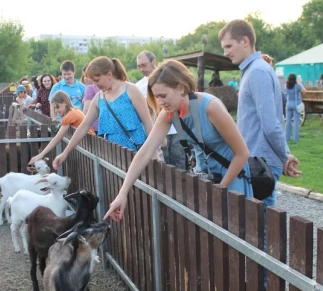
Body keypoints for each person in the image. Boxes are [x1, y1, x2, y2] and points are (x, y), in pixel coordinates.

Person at [103, 59, 252, 222]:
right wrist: (122, 193)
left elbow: (242, 153)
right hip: (207, 180)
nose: (160, 102)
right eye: (156, 97)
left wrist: (220, 190)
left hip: (231, 177)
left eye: (163, 95)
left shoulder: (211, 107)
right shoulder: (169, 113)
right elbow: (145, 152)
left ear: (181, 88)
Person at [218, 19, 301, 207]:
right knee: (254, 226)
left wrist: (284, 155)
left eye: (229, 46)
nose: (226, 52)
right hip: (255, 161)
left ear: (245, 41)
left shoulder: (257, 72)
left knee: (260, 228)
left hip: (260, 165)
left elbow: (271, 124)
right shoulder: (254, 70)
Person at [52, 57, 153, 170]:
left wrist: (154, 151)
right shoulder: (99, 97)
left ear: (109, 74)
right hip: (112, 155)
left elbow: (147, 122)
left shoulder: (131, 90)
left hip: (137, 152)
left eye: (97, 80)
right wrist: (65, 153)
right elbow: (84, 126)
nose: (95, 85)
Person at [136, 50, 186, 169]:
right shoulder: (138, 86)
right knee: (164, 166)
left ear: (153, 61)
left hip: (176, 128)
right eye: (139, 67)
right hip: (156, 130)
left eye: (144, 65)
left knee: (180, 163)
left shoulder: (169, 78)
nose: (142, 69)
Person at [29, 91, 93, 165]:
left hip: (89, 146)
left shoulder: (70, 116)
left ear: (64, 103)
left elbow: (57, 138)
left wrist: (41, 155)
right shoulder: (75, 111)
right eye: (54, 108)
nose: (56, 110)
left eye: (57, 107)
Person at [284, 73, 306, 143]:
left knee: (288, 121)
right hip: (296, 104)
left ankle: (286, 137)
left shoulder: (286, 85)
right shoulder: (297, 86)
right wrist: (300, 83)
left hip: (288, 104)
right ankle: (295, 138)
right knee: (296, 122)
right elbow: (304, 91)